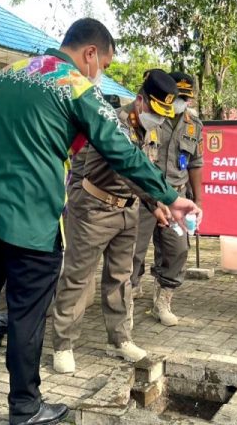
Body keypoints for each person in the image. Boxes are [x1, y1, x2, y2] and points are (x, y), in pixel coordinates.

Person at [0, 19, 200, 425]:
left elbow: (3, 129)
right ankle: (25, 405)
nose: (101, 73)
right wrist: (168, 195)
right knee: (27, 312)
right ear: (90, 53)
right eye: (105, 64)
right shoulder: (77, 86)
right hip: (31, 217)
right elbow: (122, 153)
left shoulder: (8, 74)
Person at [52, 69, 178, 374]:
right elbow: (124, 168)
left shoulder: (149, 130)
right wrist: (159, 198)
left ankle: (120, 339)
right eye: (155, 111)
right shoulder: (111, 123)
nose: (159, 120)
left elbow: (144, 171)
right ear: (139, 101)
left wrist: (152, 204)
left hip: (127, 211)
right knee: (78, 278)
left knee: (121, 278)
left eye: (164, 115)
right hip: (94, 210)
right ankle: (63, 344)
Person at [130, 71, 203, 327]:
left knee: (177, 250)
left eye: (185, 98)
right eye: (178, 97)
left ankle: (163, 301)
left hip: (176, 198)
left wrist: (198, 200)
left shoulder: (194, 125)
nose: (181, 102)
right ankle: (128, 295)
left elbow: (196, 163)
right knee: (132, 251)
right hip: (143, 196)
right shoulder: (149, 117)